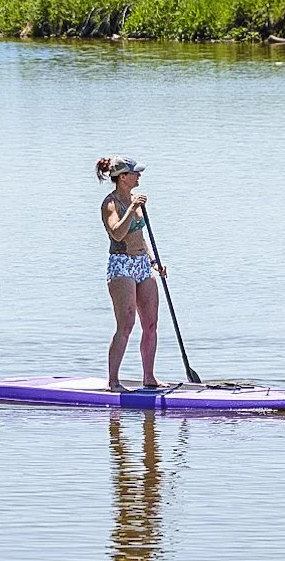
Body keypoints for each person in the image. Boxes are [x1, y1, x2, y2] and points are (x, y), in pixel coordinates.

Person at [96, 156, 167, 393]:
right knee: (126, 325)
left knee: (151, 323)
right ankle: (113, 381)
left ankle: (149, 377)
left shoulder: (135, 200)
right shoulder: (111, 203)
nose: (139, 176)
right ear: (123, 177)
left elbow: (140, 237)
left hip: (141, 264)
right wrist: (133, 208)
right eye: (135, 173)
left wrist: (154, 260)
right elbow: (117, 233)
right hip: (121, 265)